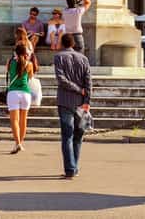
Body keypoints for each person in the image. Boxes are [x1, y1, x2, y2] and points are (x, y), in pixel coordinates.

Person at [53, 32, 91, 179]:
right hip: (80, 102)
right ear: (73, 44)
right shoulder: (84, 58)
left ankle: (70, 168)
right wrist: (87, 99)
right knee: (78, 136)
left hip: (65, 100)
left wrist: (77, 89)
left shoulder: (59, 57)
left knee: (67, 136)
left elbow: (61, 79)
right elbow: (89, 82)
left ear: (62, 43)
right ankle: (74, 167)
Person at [6, 43, 34, 154]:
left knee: (15, 121)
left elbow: (8, 72)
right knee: (23, 120)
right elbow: (30, 77)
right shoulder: (29, 64)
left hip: (13, 93)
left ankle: (17, 143)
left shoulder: (10, 62)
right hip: (26, 93)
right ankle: (20, 143)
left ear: (15, 53)